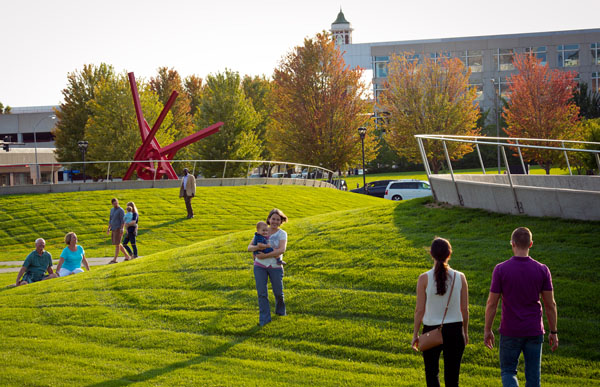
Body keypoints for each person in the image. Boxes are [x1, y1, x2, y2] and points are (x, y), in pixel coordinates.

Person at [484, 227, 558, 387]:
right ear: (530, 244)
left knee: (508, 371)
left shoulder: (501, 269)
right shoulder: (542, 270)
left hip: (510, 330)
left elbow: (492, 303)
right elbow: (550, 304)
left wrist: (487, 330)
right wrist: (553, 331)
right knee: (533, 378)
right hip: (534, 330)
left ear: (512, 244)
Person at [411, 237, 469, 387]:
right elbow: (464, 309)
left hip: (431, 330)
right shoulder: (460, 277)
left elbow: (419, 310)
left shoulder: (423, 278)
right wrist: (465, 332)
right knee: (452, 378)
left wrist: (415, 334)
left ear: (431, 253)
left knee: (431, 374)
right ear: (449, 254)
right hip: (455, 331)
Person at [247, 208, 288, 326]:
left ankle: (280, 312)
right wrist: (257, 247)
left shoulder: (282, 234)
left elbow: (281, 250)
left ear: (281, 221)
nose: (275, 221)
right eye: (273, 219)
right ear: (269, 219)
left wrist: (265, 255)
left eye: (278, 219)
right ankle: (264, 319)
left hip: (275, 266)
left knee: (278, 292)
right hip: (260, 266)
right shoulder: (262, 231)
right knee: (262, 293)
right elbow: (249, 248)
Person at [107, 198, 130, 264]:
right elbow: (110, 219)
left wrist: (122, 228)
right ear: (112, 204)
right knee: (118, 244)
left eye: (116, 202)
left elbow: (123, 220)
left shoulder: (121, 210)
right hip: (113, 228)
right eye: (114, 203)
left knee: (117, 244)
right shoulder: (112, 210)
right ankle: (127, 256)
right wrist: (109, 228)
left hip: (118, 229)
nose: (116, 204)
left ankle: (115, 259)